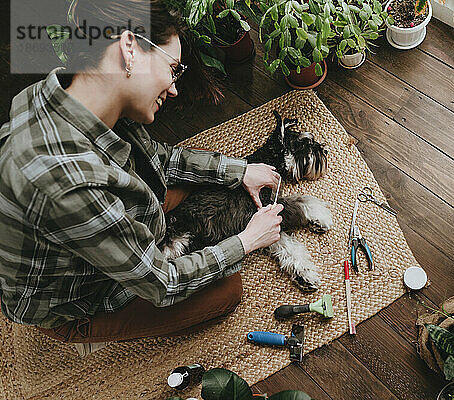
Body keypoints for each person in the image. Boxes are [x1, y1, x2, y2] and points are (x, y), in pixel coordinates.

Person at [0, 0, 284, 343]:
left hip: (95, 229)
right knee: (227, 290)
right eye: (173, 69)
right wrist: (247, 240)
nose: (175, 87)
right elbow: (162, 284)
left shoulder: (67, 93)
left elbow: (159, 159)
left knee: (206, 184)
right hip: (78, 297)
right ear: (129, 50)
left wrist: (240, 170)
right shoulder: (68, 183)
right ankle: (79, 332)